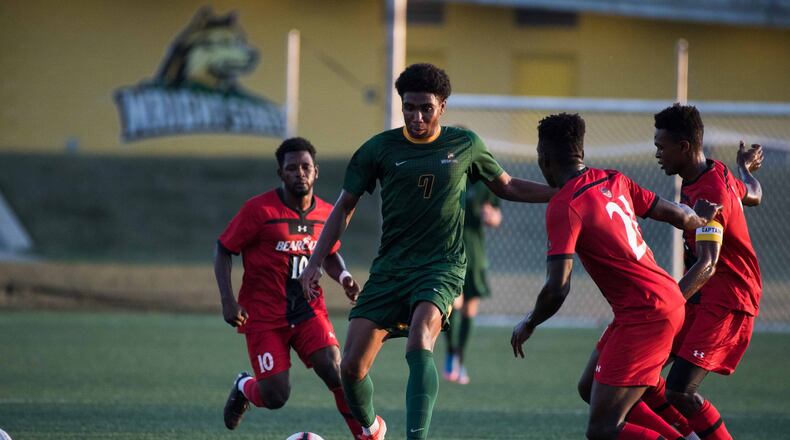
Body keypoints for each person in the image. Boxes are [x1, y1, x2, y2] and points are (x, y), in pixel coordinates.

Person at [298, 63, 555, 440]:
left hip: (442, 265)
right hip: (391, 268)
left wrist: (561, 192)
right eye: (409, 108)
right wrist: (314, 262)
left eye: (425, 108)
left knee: (421, 337)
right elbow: (344, 206)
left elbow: (507, 185)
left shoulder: (465, 145)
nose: (416, 117)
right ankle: (372, 429)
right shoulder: (378, 148)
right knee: (350, 369)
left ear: (443, 106)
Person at [510, 113, 721, 440]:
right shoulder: (613, 179)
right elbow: (677, 214)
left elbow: (557, 288)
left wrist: (529, 322)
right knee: (589, 387)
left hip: (646, 315)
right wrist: (701, 219)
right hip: (657, 303)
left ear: (545, 160)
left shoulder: (565, 205)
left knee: (603, 430)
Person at [214, 137, 363, 438]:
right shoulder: (258, 210)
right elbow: (223, 250)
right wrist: (228, 301)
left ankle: (366, 434)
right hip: (264, 316)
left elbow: (330, 252)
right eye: (292, 168)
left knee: (336, 370)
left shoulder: (326, 213)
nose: (300, 173)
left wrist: (344, 276)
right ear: (280, 174)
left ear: (316, 172)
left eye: (306, 167)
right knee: (276, 396)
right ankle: (245, 386)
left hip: (308, 310)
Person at [649, 103, 763, 440]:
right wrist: (745, 169)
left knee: (679, 391)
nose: (657, 154)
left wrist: (667, 304)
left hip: (728, 299)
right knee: (643, 374)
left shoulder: (709, 191)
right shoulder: (714, 171)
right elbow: (753, 195)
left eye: (661, 147)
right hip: (703, 296)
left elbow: (709, 264)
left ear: (684, 147)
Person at [443, 179, 501, 384]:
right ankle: (450, 353)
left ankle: (460, 359)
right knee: (454, 305)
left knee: (469, 309)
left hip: (475, 256)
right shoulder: (452, 175)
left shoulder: (485, 184)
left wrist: (492, 217)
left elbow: (496, 215)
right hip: (452, 254)